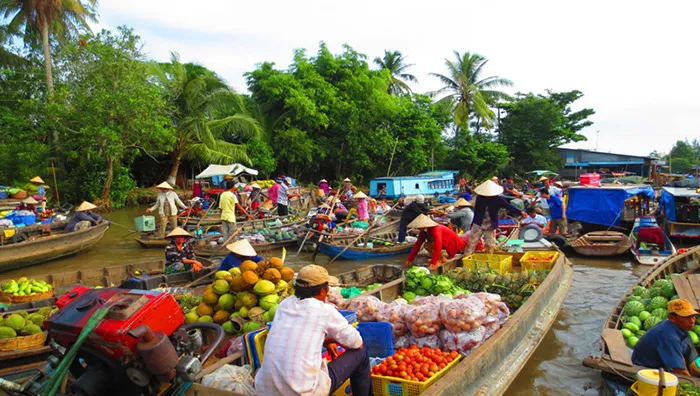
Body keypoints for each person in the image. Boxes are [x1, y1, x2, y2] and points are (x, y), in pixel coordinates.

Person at [255, 265, 370, 396]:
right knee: (361, 354)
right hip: (303, 393)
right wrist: (335, 339)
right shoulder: (324, 311)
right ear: (322, 291)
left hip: (265, 390)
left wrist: (327, 341)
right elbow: (357, 343)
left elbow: (298, 333)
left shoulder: (284, 305)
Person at [632, 299, 700, 377]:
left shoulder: (678, 327)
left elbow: (680, 353)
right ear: (672, 318)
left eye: (693, 316)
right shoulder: (670, 337)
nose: (692, 320)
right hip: (648, 370)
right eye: (686, 317)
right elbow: (679, 371)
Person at [465, 180, 526, 255]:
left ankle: (489, 258)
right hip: (479, 223)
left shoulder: (498, 199)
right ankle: (466, 257)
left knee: (490, 244)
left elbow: (509, 206)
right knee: (471, 242)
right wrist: (473, 223)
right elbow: (476, 211)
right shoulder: (479, 198)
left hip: (491, 224)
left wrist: (520, 212)